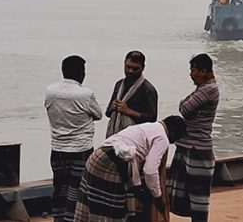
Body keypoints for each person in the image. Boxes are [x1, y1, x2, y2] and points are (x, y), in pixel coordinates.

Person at [73, 116, 187, 222]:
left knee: (96, 204)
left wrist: (138, 189)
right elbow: (150, 171)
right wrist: (158, 197)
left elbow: (134, 161)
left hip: (97, 157)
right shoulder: (162, 138)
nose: (174, 142)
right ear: (172, 132)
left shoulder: (150, 127)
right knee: (111, 209)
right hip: (109, 164)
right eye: (176, 138)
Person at [45, 55, 103, 222]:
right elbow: (98, 114)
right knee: (77, 191)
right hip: (80, 150)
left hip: (57, 149)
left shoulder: (50, 91)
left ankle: (58, 218)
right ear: (81, 73)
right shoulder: (85, 94)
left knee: (59, 189)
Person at [168, 53, 221, 222]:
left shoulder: (208, 89)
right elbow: (186, 105)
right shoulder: (202, 88)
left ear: (204, 71)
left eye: (194, 70)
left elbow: (184, 109)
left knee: (199, 197)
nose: (191, 74)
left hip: (198, 148)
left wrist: (185, 101)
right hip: (188, 146)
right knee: (184, 193)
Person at [106, 51, 159, 137]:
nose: (130, 71)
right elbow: (108, 113)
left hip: (136, 137)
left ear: (143, 68)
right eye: (128, 67)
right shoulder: (119, 85)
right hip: (115, 135)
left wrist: (128, 111)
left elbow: (152, 118)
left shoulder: (148, 90)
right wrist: (112, 107)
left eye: (135, 69)